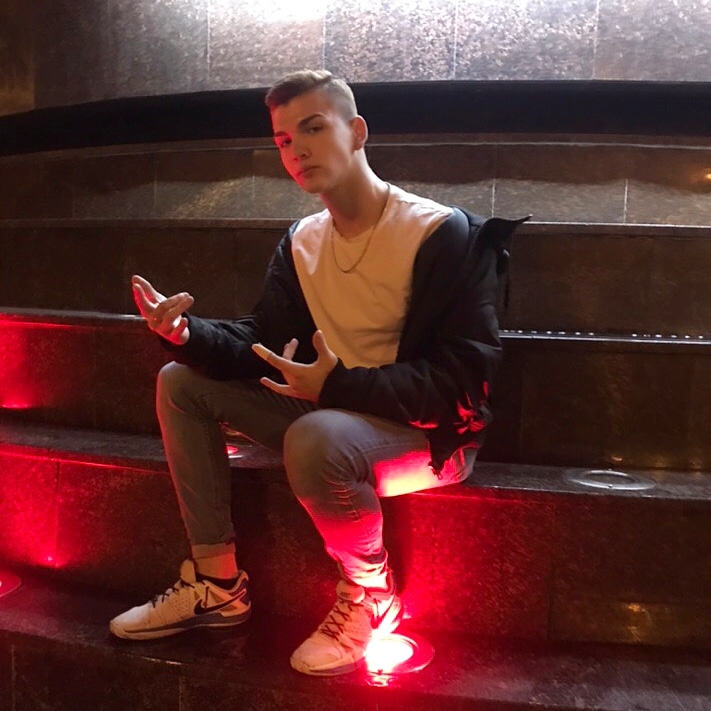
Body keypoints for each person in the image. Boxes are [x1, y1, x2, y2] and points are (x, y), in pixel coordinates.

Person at [109, 69, 526, 676]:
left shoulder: (442, 234)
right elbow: (261, 340)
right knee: (180, 382)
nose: (296, 150)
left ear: (356, 132)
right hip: (331, 415)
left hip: (428, 437)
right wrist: (186, 334)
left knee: (315, 436)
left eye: (312, 128)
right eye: (283, 140)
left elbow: (462, 387)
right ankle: (217, 586)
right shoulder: (304, 241)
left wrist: (336, 386)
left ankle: (371, 595)